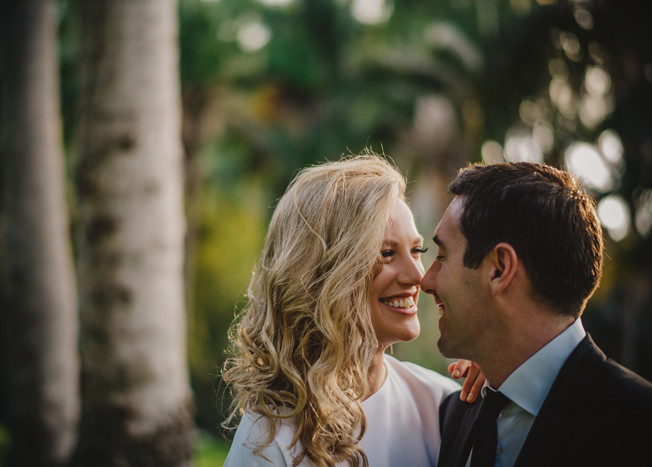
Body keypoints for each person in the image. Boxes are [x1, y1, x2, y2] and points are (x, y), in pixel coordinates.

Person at [222, 154, 483, 467]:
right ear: (322, 273)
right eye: (386, 254)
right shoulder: (269, 439)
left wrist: (500, 384)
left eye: (417, 251)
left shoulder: (442, 404)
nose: (418, 276)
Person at [420, 162, 652, 467]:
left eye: (441, 256)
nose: (426, 281)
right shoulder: (457, 412)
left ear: (500, 269)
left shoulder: (639, 425)